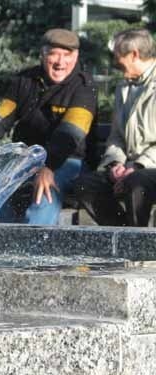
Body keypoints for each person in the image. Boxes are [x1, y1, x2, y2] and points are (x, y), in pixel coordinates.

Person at [0, 28, 97, 225]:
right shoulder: (24, 81)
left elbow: (71, 134)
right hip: (26, 161)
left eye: (67, 55)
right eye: (53, 54)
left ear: (76, 56)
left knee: (44, 194)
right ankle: (0, 251)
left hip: (69, 162)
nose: (60, 62)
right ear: (42, 54)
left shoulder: (85, 88)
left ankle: (36, 252)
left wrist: (48, 167)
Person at [74, 28, 156, 227]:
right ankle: (122, 237)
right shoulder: (124, 87)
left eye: (118, 56)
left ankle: (140, 251)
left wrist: (136, 166)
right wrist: (114, 166)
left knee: (137, 184)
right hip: (130, 168)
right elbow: (117, 136)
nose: (114, 62)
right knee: (86, 185)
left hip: (148, 168)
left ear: (134, 54)